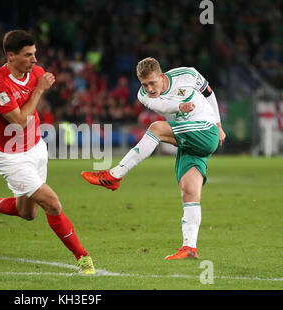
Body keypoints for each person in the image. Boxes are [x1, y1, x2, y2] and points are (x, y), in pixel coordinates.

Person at [0, 30, 95, 274]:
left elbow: (18, 113)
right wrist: (39, 90)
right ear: (11, 56)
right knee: (53, 204)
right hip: (12, 157)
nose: (35, 61)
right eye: (28, 55)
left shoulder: (34, 72)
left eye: (35, 54)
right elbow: (19, 121)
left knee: (28, 213)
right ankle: (83, 258)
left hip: (36, 148)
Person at [82, 57, 226, 260]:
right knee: (189, 190)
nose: (149, 88)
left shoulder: (188, 74)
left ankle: (115, 175)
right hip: (189, 138)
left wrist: (219, 125)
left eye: (152, 82)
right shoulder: (143, 95)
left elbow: (209, 93)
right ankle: (189, 247)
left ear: (162, 76)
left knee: (156, 129)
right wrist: (180, 107)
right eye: (144, 84)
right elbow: (164, 108)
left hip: (206, 128)